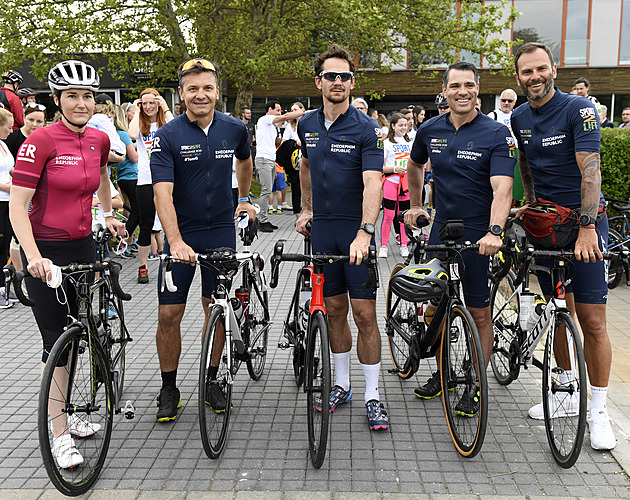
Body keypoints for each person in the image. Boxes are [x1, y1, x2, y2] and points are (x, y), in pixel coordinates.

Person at [9, 60, 125, 468]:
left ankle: (68, 416)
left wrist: (108, 214)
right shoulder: (40, 141)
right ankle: (58, 433)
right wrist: (33, 257)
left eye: (88, 96)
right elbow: (17, 207)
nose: (81, 103)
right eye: (72, 96)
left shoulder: (98, 139)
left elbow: (103, 179)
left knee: (77, 336)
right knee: (56, 345)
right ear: (57, 100)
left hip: (83, 249)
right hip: (43, 250)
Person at [511, 42, 616, 451]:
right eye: (526, 72)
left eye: (540, 69)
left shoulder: (579, 109)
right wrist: (528, 203)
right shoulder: (518, 116)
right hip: (544, 227)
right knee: (557, 310)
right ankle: (566, 392)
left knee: (592, 321)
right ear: (518, 77)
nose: (534, 77)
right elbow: (525, 165)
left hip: (583, 226)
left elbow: (591, 168)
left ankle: (599, 412)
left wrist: (588, 227)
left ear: (553, 68)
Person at [404, 61, 514, 413]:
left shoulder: (496, 133)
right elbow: (415, 164)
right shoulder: (430, 128)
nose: (462, 91)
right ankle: (443, 372)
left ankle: (476, 384)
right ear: (446, 91)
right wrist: (415, 205)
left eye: (469, 85)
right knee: (434, 305)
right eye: (455, 86)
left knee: (479, 314)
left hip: (479, 235)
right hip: (441, 229)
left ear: (478, 90)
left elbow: (503, 189)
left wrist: (495, 231)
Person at [150, 58, 256, 421]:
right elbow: (161, 194)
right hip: (183, 234)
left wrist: (243, 199)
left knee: (218, 310)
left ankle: (212, 379)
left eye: (207, 88)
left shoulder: (234, 128)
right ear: (181, 93)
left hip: (221, 231)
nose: (200, 94)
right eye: (192, 88)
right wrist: (175, 241)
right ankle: (168, 387)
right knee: (170, 313)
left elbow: (245, 161)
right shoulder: (166, 136)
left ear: (217, 92)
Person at [296, 44, 388, 431]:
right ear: (318, 82)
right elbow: (304, 163)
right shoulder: (306, 125)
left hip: (355, 231)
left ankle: (373, 396)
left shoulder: (368, 129)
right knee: (333, 311)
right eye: (331, 76)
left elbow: (373, 183)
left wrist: (365, 232)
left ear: (353, 82)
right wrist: (305, 208)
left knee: (365, 313)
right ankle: (342, 384)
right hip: (324, 233)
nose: (338, 82)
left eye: (345, 76)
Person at [128, 88, 173, 283]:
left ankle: (173, 260)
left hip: (166, 179)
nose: (148, 106)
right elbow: (131, 133)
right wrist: (137, 112)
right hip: (145, 180)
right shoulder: (140, 122)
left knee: (171, 222)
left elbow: (177, 130)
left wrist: (165, 106)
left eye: (152, 102)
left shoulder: (165, 123)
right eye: (144, 103)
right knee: (146, 225)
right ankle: (143, 266)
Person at [255, 101, 303, 232]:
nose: (280, 113)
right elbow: (285, 117)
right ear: (269, 109)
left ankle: (264, 219)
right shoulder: (265, 119)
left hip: (270, 160)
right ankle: (261, 221)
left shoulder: (272, 126)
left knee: (269, 189)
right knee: (266, 191)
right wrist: (302, 112)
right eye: (278, 110)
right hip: (263, 159)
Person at [379, 112, 412, 259]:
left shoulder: (410, 143)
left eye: (405, 125)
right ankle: (384, 246)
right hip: (391, 183)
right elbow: (380, 167)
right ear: (393, 126)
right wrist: (394, 169)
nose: (403, 128)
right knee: (389, 215)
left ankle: (404, 245)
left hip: (406, 185)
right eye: (400, 125)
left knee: (404, 217)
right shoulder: (386, 143)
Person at [113, 104, 139, 257]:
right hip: (131, 176)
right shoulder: (124, 134)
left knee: (129, 210)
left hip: (123, 176)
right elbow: (134, 158)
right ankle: (124, 241)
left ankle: (129, 241)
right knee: (138, 211)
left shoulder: (114, 134)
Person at [0, 109, 14, 308]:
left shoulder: (3, 144)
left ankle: (4, 287)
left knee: (6, 246)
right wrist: (8, 187)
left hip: (9, 200)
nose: (12, 131)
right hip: (1, 198)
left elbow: (11, 168)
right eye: (8, 127)